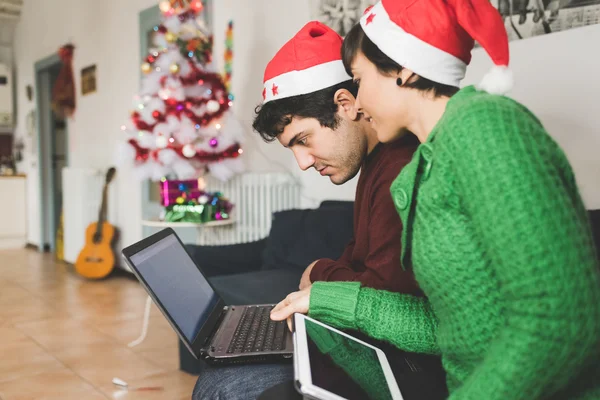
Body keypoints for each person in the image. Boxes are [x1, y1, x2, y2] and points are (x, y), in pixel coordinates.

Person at [271, 1, 600, 399]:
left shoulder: (486, 128)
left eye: (360, 79)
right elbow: (446, 327)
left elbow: (560, 318)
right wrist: (324, 299)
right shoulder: (422, 166)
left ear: (404, 71)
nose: (357, 101)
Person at [191, 21, 446, 400]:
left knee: (223, 386)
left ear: (345, 105)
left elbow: (387, 298)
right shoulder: (374, 162)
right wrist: (325, 272)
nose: (303, 163)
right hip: (362, 346)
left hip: (399, 370)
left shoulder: (401, 167)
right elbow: (361, 257)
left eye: (304, 140)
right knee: (222, 370)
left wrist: (319, 272)